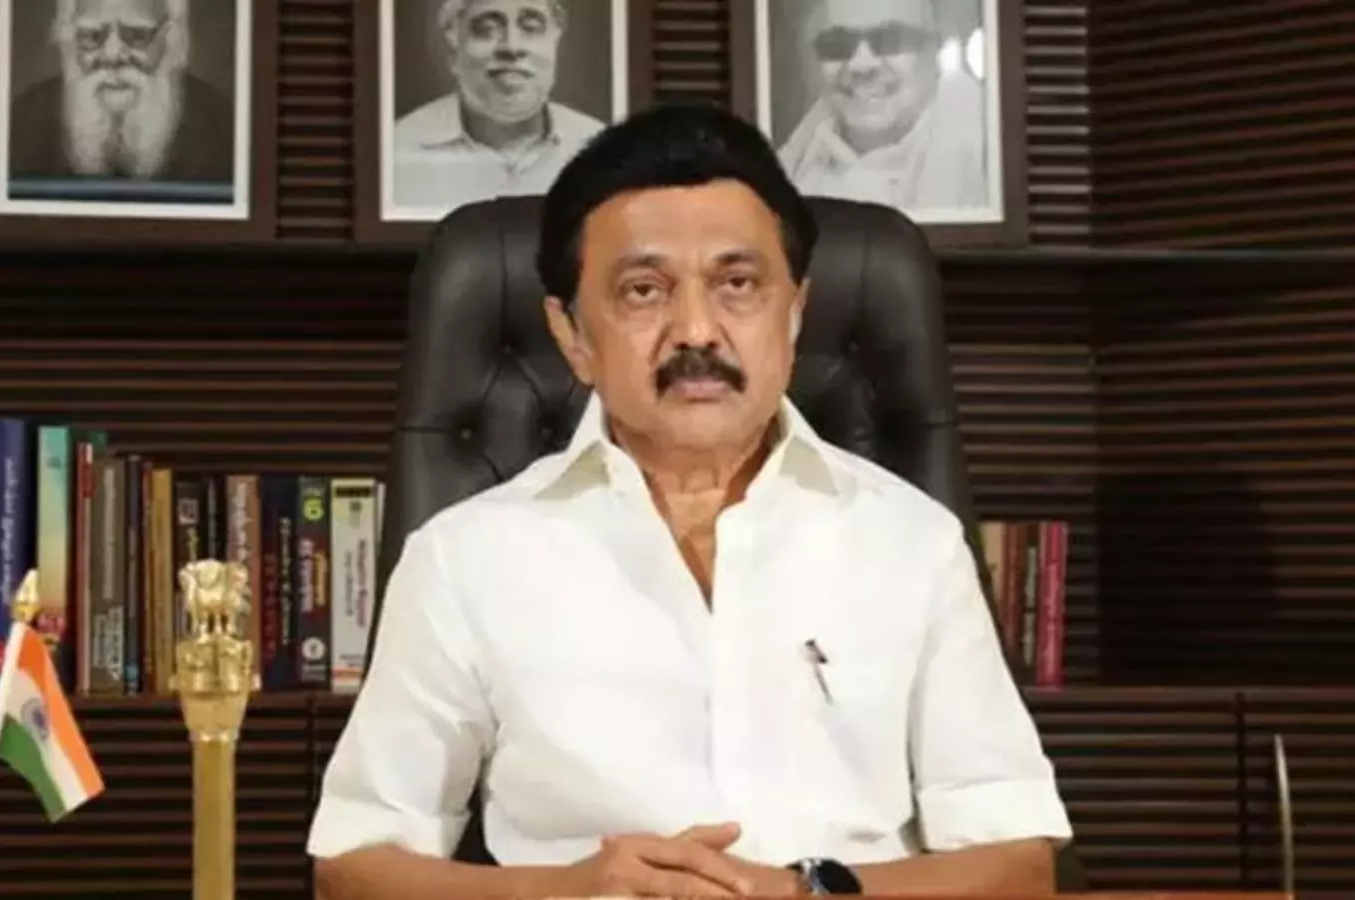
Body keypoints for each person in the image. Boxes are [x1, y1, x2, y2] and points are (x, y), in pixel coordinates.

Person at [309, 101, 1072, 898]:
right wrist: (565, 892)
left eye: (737, 284)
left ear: (795, 313)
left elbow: (1018, 866)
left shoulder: (913, 542)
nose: (697, 331)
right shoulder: (464, 558)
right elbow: (353, 868)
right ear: (572, 336)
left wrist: (802, 892)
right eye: (644, 291)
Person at [390, 0, 606, 211]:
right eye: (487, 29)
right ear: (453, 55)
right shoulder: (398, 149)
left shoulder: (600, 149)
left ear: (554, 45)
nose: (511, 47)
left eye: (531, 28)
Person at [777, 0, 988, 212]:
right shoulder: (793, 165)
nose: (861, 65)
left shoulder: (989, 158)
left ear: (936, 46)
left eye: (889, 40)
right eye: (837, 44)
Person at [8, 0, 234, 186]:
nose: (112, 54)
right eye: (92, 35)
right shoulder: (22, 123)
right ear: (69, 39)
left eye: (137, 35)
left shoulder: (222, 127)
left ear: (170, 39)